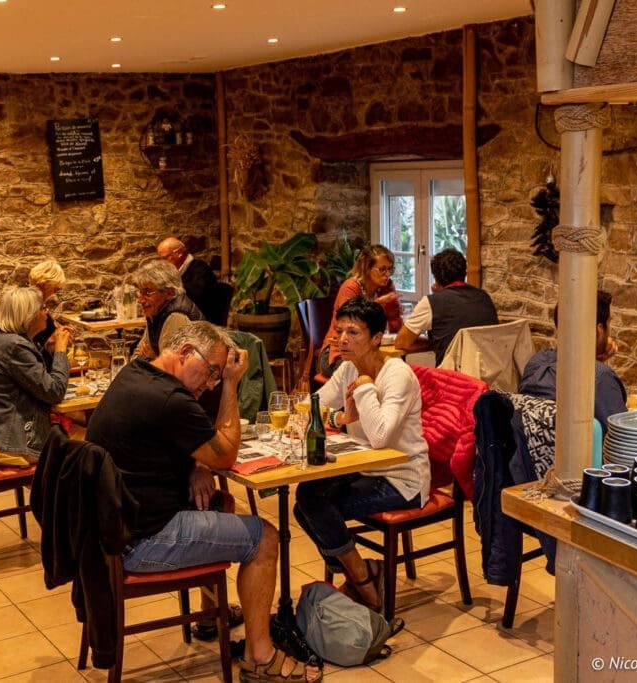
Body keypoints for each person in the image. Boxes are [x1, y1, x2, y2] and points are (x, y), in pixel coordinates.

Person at [87, 321, 320, 683]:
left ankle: (211, 616)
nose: (211, 383)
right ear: (184, 353)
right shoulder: (170, 399)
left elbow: (186, 444)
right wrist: (231, 383)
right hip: (142, 541)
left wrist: (197, 464)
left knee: (219, 502)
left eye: (217, 376)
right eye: (211, 371)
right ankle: (260, 657)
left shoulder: (137, 373)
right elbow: (226, 453)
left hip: (114, 531)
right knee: (264, 538)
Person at [294, 297, 428, 616]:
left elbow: (381, 438)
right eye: (340, 331)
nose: (342, 339)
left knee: (314, 505)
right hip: (364, 468)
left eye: (353, 333)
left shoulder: (397, 375)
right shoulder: (349, 367)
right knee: (305, 499)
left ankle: (363, 583)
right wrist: (339, 418)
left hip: (401, 478)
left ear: (377, 338)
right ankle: (362, 571)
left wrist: (365, 387)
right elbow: (309, 408)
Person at [0, 286, 73, 457]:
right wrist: (60, 351)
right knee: (81, 453)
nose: (47, 313)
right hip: (11, 442)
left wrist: (48, 349)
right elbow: (55, 392)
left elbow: (30, 375)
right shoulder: (15, 346)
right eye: (43, 308)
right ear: (29, 315)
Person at [518, 290, 627, 433]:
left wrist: (595, 360)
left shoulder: (536, 362)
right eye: (609, 323)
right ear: (600, 330)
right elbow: (622, 436)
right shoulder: (600, 377)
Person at [396, 247, 498, 365]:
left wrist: (433, 342)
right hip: (488, 373)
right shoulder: (484, 297)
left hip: (452, 375)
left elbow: (401, 342)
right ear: (464, 274)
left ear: (436, 278)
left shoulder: (432, 302)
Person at [321, 245, 403, 377]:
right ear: (367, 268)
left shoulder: (386, 287)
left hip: (370, 352)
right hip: (339, 353)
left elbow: (396, 324)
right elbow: (351, 324)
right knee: (368, 373)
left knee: (394, 372)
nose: (387, 274)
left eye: (390, 269)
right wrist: (377, 304)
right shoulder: (351, 287)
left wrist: (393, 307)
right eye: (382, 269)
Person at [132, 259, 204, 358]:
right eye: (140, 292)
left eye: (147, 292)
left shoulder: (175, 317)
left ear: (170, 293)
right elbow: (139, 351)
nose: (140, 300)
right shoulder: (156, 312)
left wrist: (154, 358)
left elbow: (171, 365)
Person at [157, 236, 219, 321]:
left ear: (179, 253)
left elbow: (194, 296)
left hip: (201, 321)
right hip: (182, 317)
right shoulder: (176, 271)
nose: (163, 263)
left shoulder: (200, 269)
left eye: (165, 258)